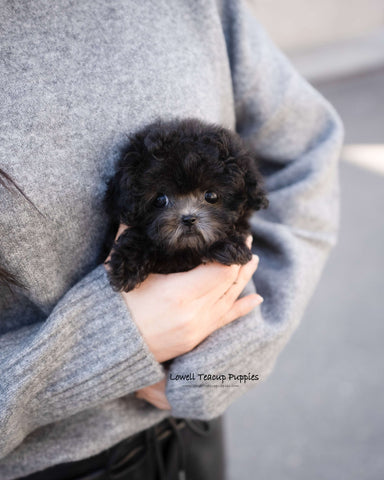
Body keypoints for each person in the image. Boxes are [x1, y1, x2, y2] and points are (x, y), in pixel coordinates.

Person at [0, 0, 344, 479]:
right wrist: (106, 345)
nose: (187, 215)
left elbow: (306, 151)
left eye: (207, 195)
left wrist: (223, 368)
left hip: (196, 431)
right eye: (164, 200)